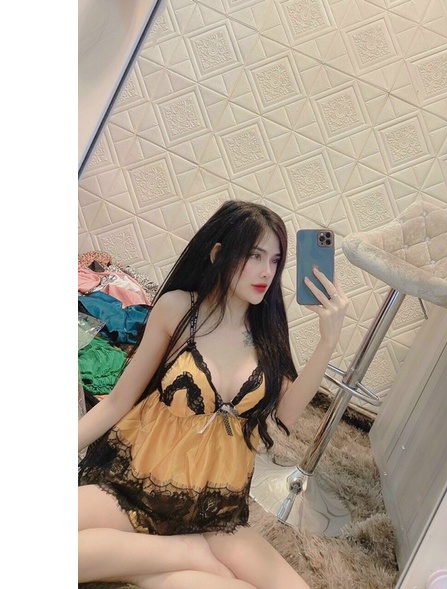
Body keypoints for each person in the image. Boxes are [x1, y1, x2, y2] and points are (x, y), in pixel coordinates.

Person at [78, 200, 349, 589]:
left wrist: (328, 342)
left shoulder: (267, 332)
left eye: (275, 260)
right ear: (219, 253)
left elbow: (286, 415)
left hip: (213, 512)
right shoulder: (178, 310)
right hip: (138, 488)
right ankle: (184, 556)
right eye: (254, 256)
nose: (266, 271)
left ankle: (153, 565)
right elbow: (119, 402)